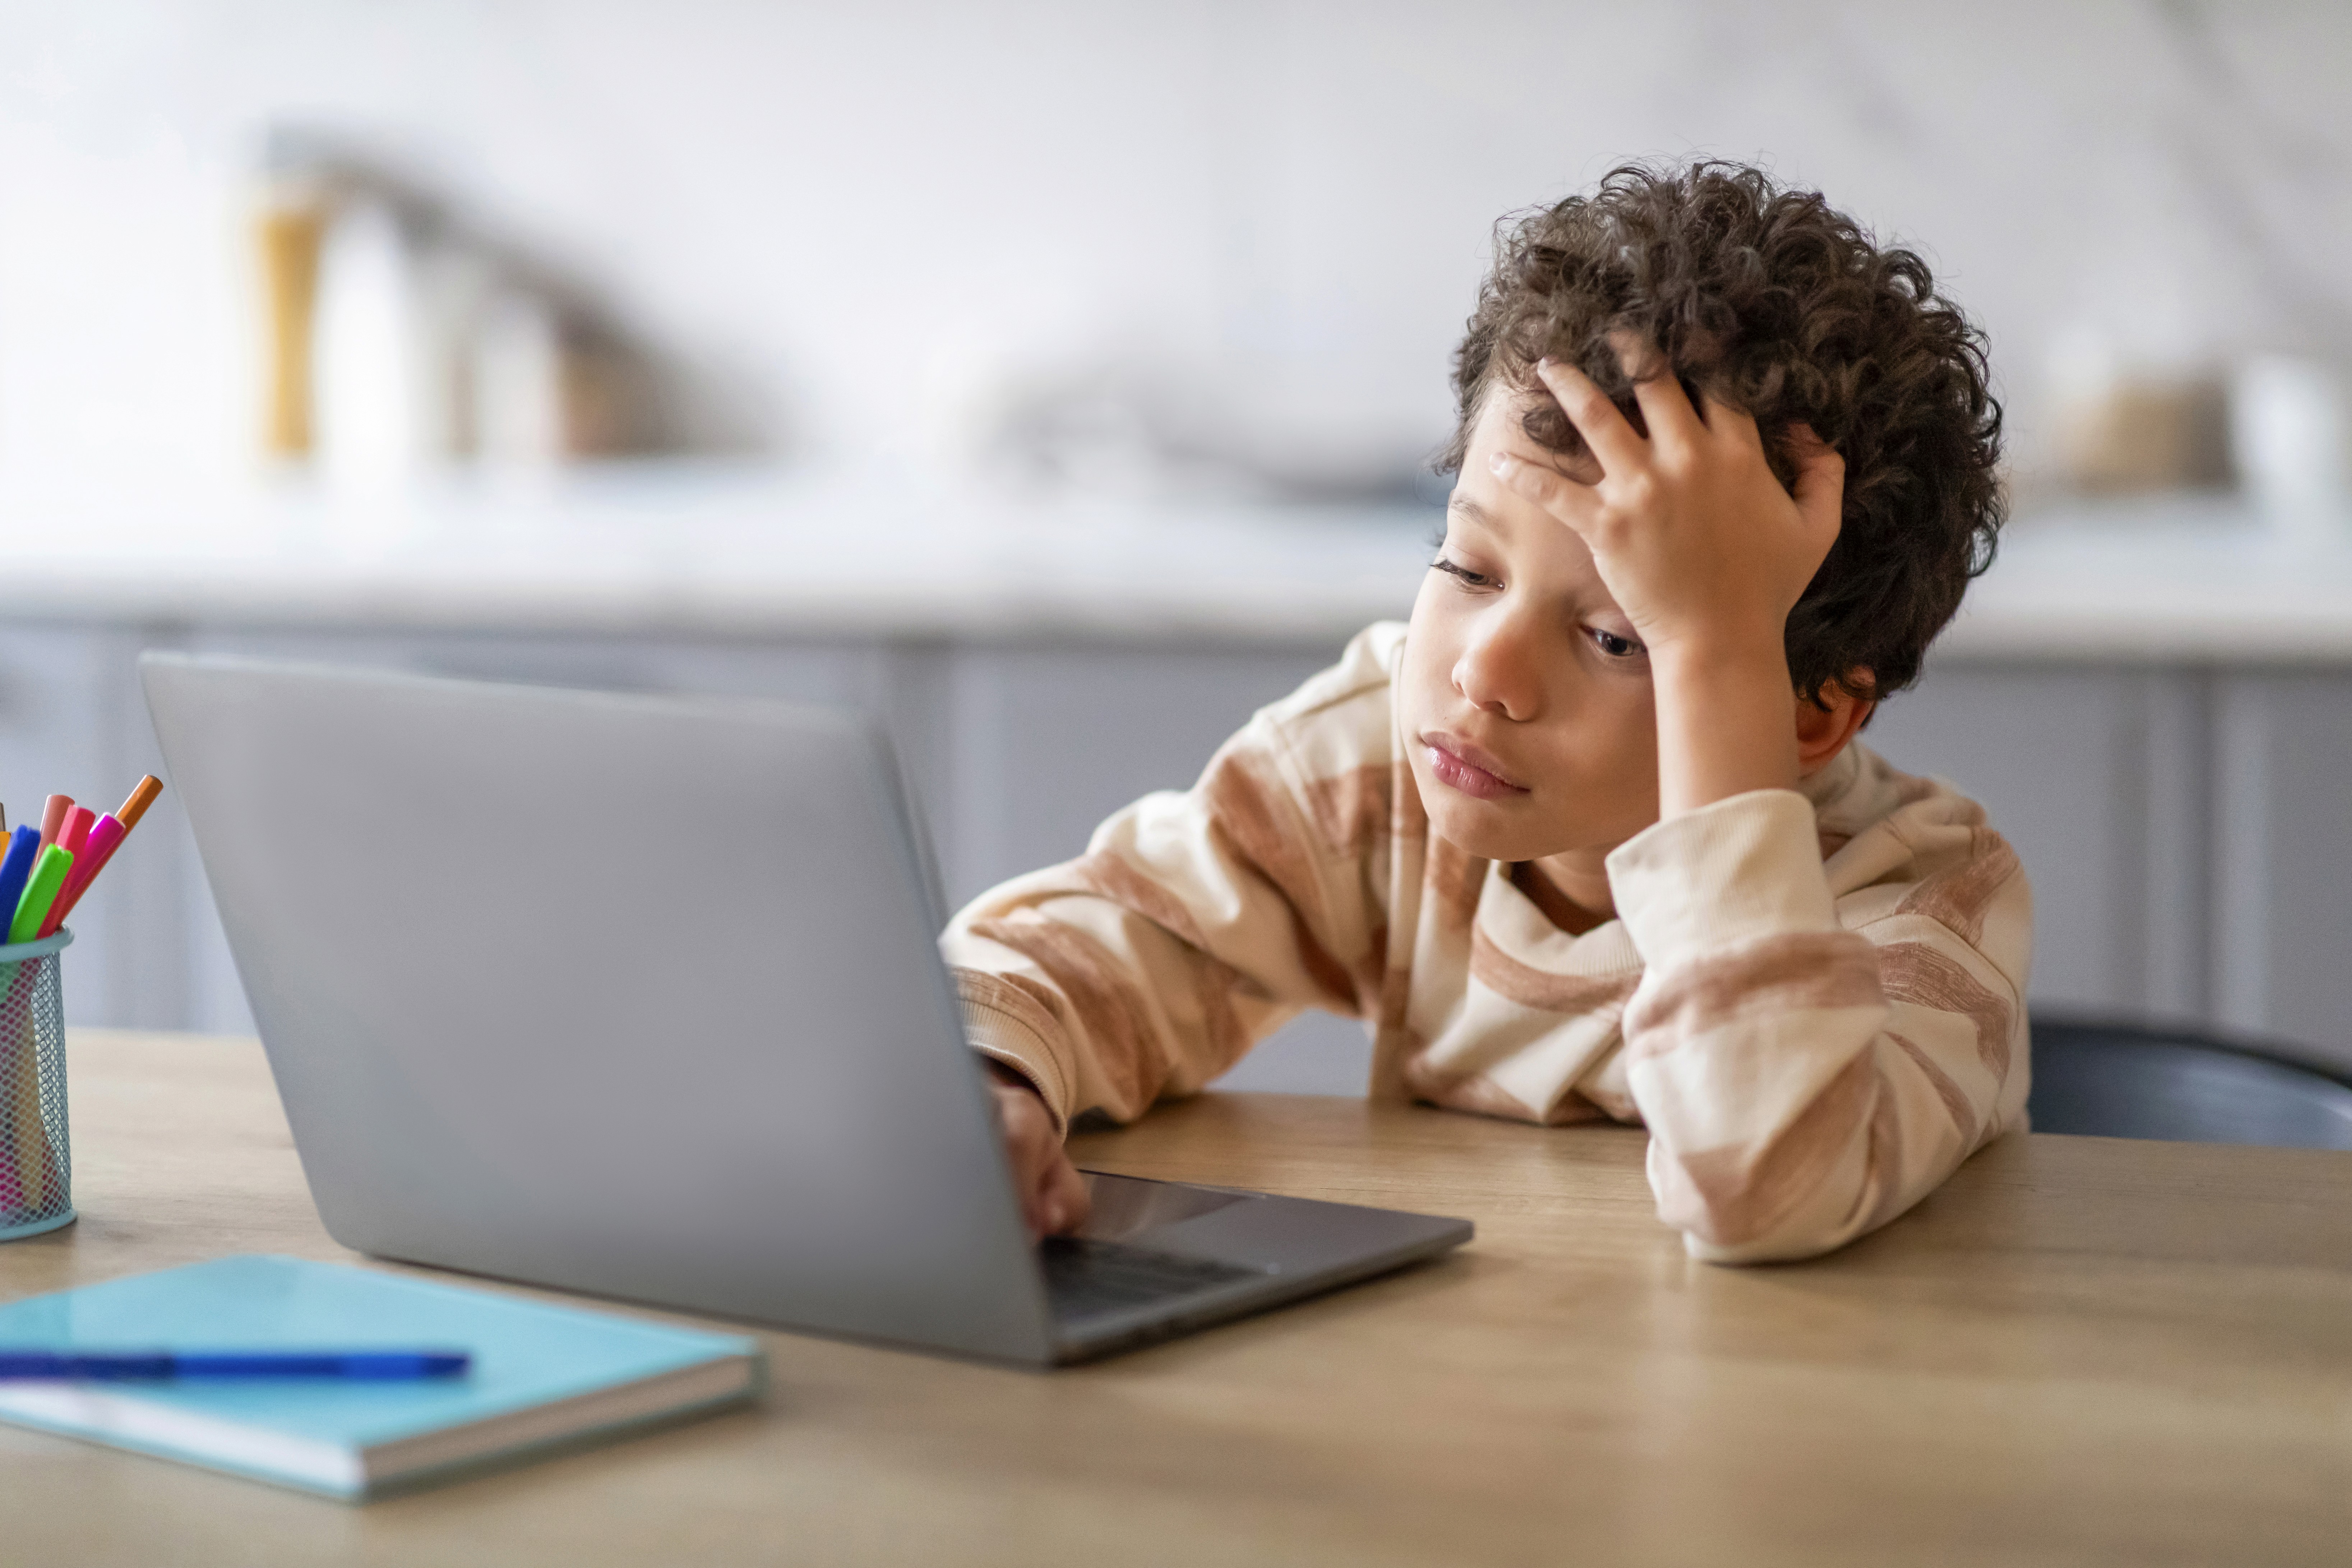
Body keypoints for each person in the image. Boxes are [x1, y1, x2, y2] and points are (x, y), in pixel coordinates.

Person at [942, 161, 2028, 1263]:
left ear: (1806, 719)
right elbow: (1116, 934)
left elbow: (1770, 1187)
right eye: (1467, 568)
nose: (1481, 674)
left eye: (1616, 637)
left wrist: (1716, 651)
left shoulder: (1924, 911)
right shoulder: (1380, 764)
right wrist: (998, 1074)